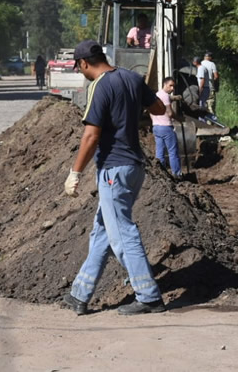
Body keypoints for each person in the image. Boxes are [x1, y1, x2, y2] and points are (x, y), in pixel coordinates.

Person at [62, 40, 167, 316]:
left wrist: (75, 172)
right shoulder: (132, 78)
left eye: (79, 67)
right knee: (103, 231)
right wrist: (131, 111)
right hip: (134, 166)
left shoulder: (100, 85)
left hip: (114, 169)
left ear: (84, 63)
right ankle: (79, 294)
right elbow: (159, 109)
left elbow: (91, 135)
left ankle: (149, 296)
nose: (81, 71)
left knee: (122, 233)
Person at [151, 76, 182, 179]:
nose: (172, 88)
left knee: (159, 153)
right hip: (166, 128)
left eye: (174, 86)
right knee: (173, 152)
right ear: (165, 84)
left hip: (156, 127)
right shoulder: (165, 96)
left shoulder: (155, 95)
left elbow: (150, 112)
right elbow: (169, 113)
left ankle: (161, 176)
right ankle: (177, 175)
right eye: (171, 86)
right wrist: (179, 119)